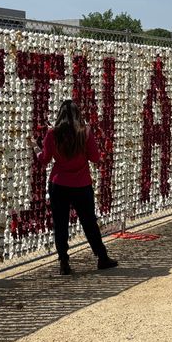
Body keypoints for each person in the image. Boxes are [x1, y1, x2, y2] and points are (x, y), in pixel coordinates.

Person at [31, 99, 117, 275]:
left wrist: (35, 148)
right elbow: (95, 157)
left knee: (60, 224)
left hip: (58, 184)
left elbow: (44, 160)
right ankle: (102, 257)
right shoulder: (84, 133)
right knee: (89, 222)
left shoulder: (52, 134)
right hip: (82, 185)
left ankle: (64, 262)